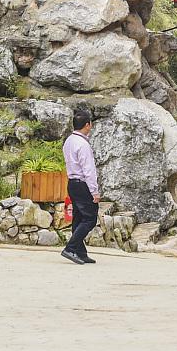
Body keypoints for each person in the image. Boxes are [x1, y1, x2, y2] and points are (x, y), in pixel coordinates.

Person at [62, 107, 100, 266]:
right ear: (87, 125)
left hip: (72, 183)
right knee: (90, 218)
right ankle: (70, 248)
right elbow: (88, 169)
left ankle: (80, 252)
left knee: (78, 218)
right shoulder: (83, 144)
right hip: (83, 184)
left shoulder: (69, 141)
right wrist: (94, 191)